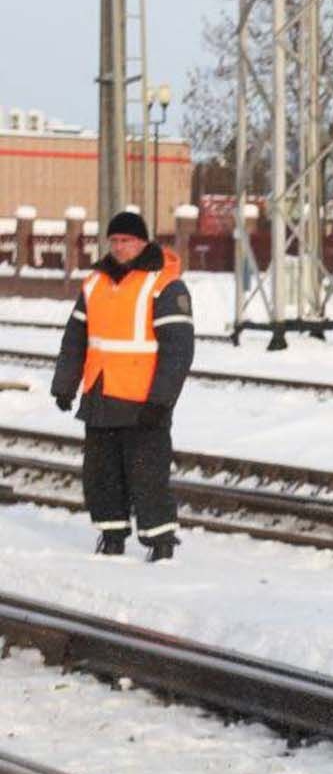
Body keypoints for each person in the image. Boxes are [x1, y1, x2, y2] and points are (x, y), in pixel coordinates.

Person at [49, 210, 194, 562]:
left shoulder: (164, 284)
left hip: (143, 400)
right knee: (101, 476)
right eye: (113, 241)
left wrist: (162, 400)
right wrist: (65, 385)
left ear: (143, 242)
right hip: (100, 395)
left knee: (148, 474)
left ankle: (160, 542)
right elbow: (75, 340)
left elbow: (178, 349)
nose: (119, 247)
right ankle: (111, 536)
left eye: (126, 241)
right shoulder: (95, 283)